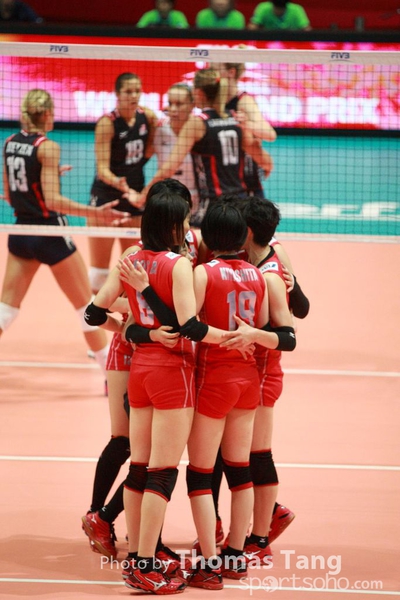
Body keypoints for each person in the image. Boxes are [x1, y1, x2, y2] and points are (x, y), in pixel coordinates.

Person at [0, 89, 128, 384]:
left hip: (21, 232)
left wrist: (49, 175)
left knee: (6, 309)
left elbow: (9, 192)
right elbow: (54, 201)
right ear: (46, 114)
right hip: (50, 235)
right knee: (87, 308)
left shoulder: (9, 142)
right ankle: (110, 378)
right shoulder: (48, 147)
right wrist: (96, 213)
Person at [220, 196, 306, 563]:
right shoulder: (250, 260)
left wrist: (253, 333)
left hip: (264, 370)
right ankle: (263, 519)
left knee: (258, 454)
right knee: (237, 453)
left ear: (249, 230)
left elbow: (293, 327)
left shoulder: (271, 269)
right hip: (245, 370)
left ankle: (260, 537)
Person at [136, 68, 266, 226]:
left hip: (212, 204)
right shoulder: (236, 118)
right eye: (171, 103)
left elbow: (168, 168)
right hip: (239, 201)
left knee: (192, 240)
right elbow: (265, 161)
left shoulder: (197, 123)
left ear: (197, 94)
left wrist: (142, 196)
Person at [87, 72, 157, 294]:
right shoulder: (107, 124)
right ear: (117, 94)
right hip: (107, 198)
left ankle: (128, 314)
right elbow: (103, 171)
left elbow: (150, 149)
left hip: (135, 200)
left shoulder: (147, 118)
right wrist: (125, 187)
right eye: (128, 91)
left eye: (137, 91)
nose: (134, 95)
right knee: (99, 274)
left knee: (132, 269)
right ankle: (96, 312)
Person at [154, 84, 200, 224]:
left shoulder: (200, 129)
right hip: (166, 200)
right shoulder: (159, 129)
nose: (173, 109)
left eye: (179, 104)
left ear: (192, 105)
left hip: (196, 201)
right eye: (170, 103)